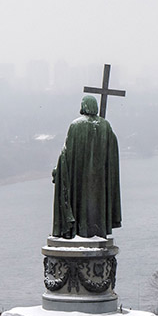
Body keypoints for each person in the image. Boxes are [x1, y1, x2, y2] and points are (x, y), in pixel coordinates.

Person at [51, 95, 121, 238]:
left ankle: (78, 229)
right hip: (100, 178)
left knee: (79, 200)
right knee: (96, 202)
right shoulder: (105, 126)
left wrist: (58, 171)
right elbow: (112, 150)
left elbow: (66, 154)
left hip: (79, 177)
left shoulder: (76, 125)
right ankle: (97, 229)